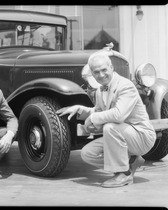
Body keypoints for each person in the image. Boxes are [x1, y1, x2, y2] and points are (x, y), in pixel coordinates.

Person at [56, 51, 156, 187]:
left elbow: (118, 114)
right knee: (87, 154)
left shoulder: (125, 85)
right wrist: (80, 109)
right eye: (96, 72)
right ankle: (131, 160)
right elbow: (98, 112)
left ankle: (124, 175)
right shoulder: (99, 90)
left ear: (112, 68)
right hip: (121, 135)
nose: (101, 75)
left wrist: (93, 118)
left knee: (110, 127)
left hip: (141, 136)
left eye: (104, 70)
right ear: (92, 73)